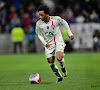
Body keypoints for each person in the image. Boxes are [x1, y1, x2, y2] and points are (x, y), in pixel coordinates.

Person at [35, 5, 74, 83]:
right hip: (48, 44)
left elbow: (65, 22)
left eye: (41, 15)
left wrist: (70, 33)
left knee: (59, 58)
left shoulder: (56, 19)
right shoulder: (39, 24)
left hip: (58, 41)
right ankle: (60, 76)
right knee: (51, 64)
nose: (40, 16)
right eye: (39, 15)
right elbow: (39, 34)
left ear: (46, 14)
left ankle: (63, 67)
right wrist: (44, 42)